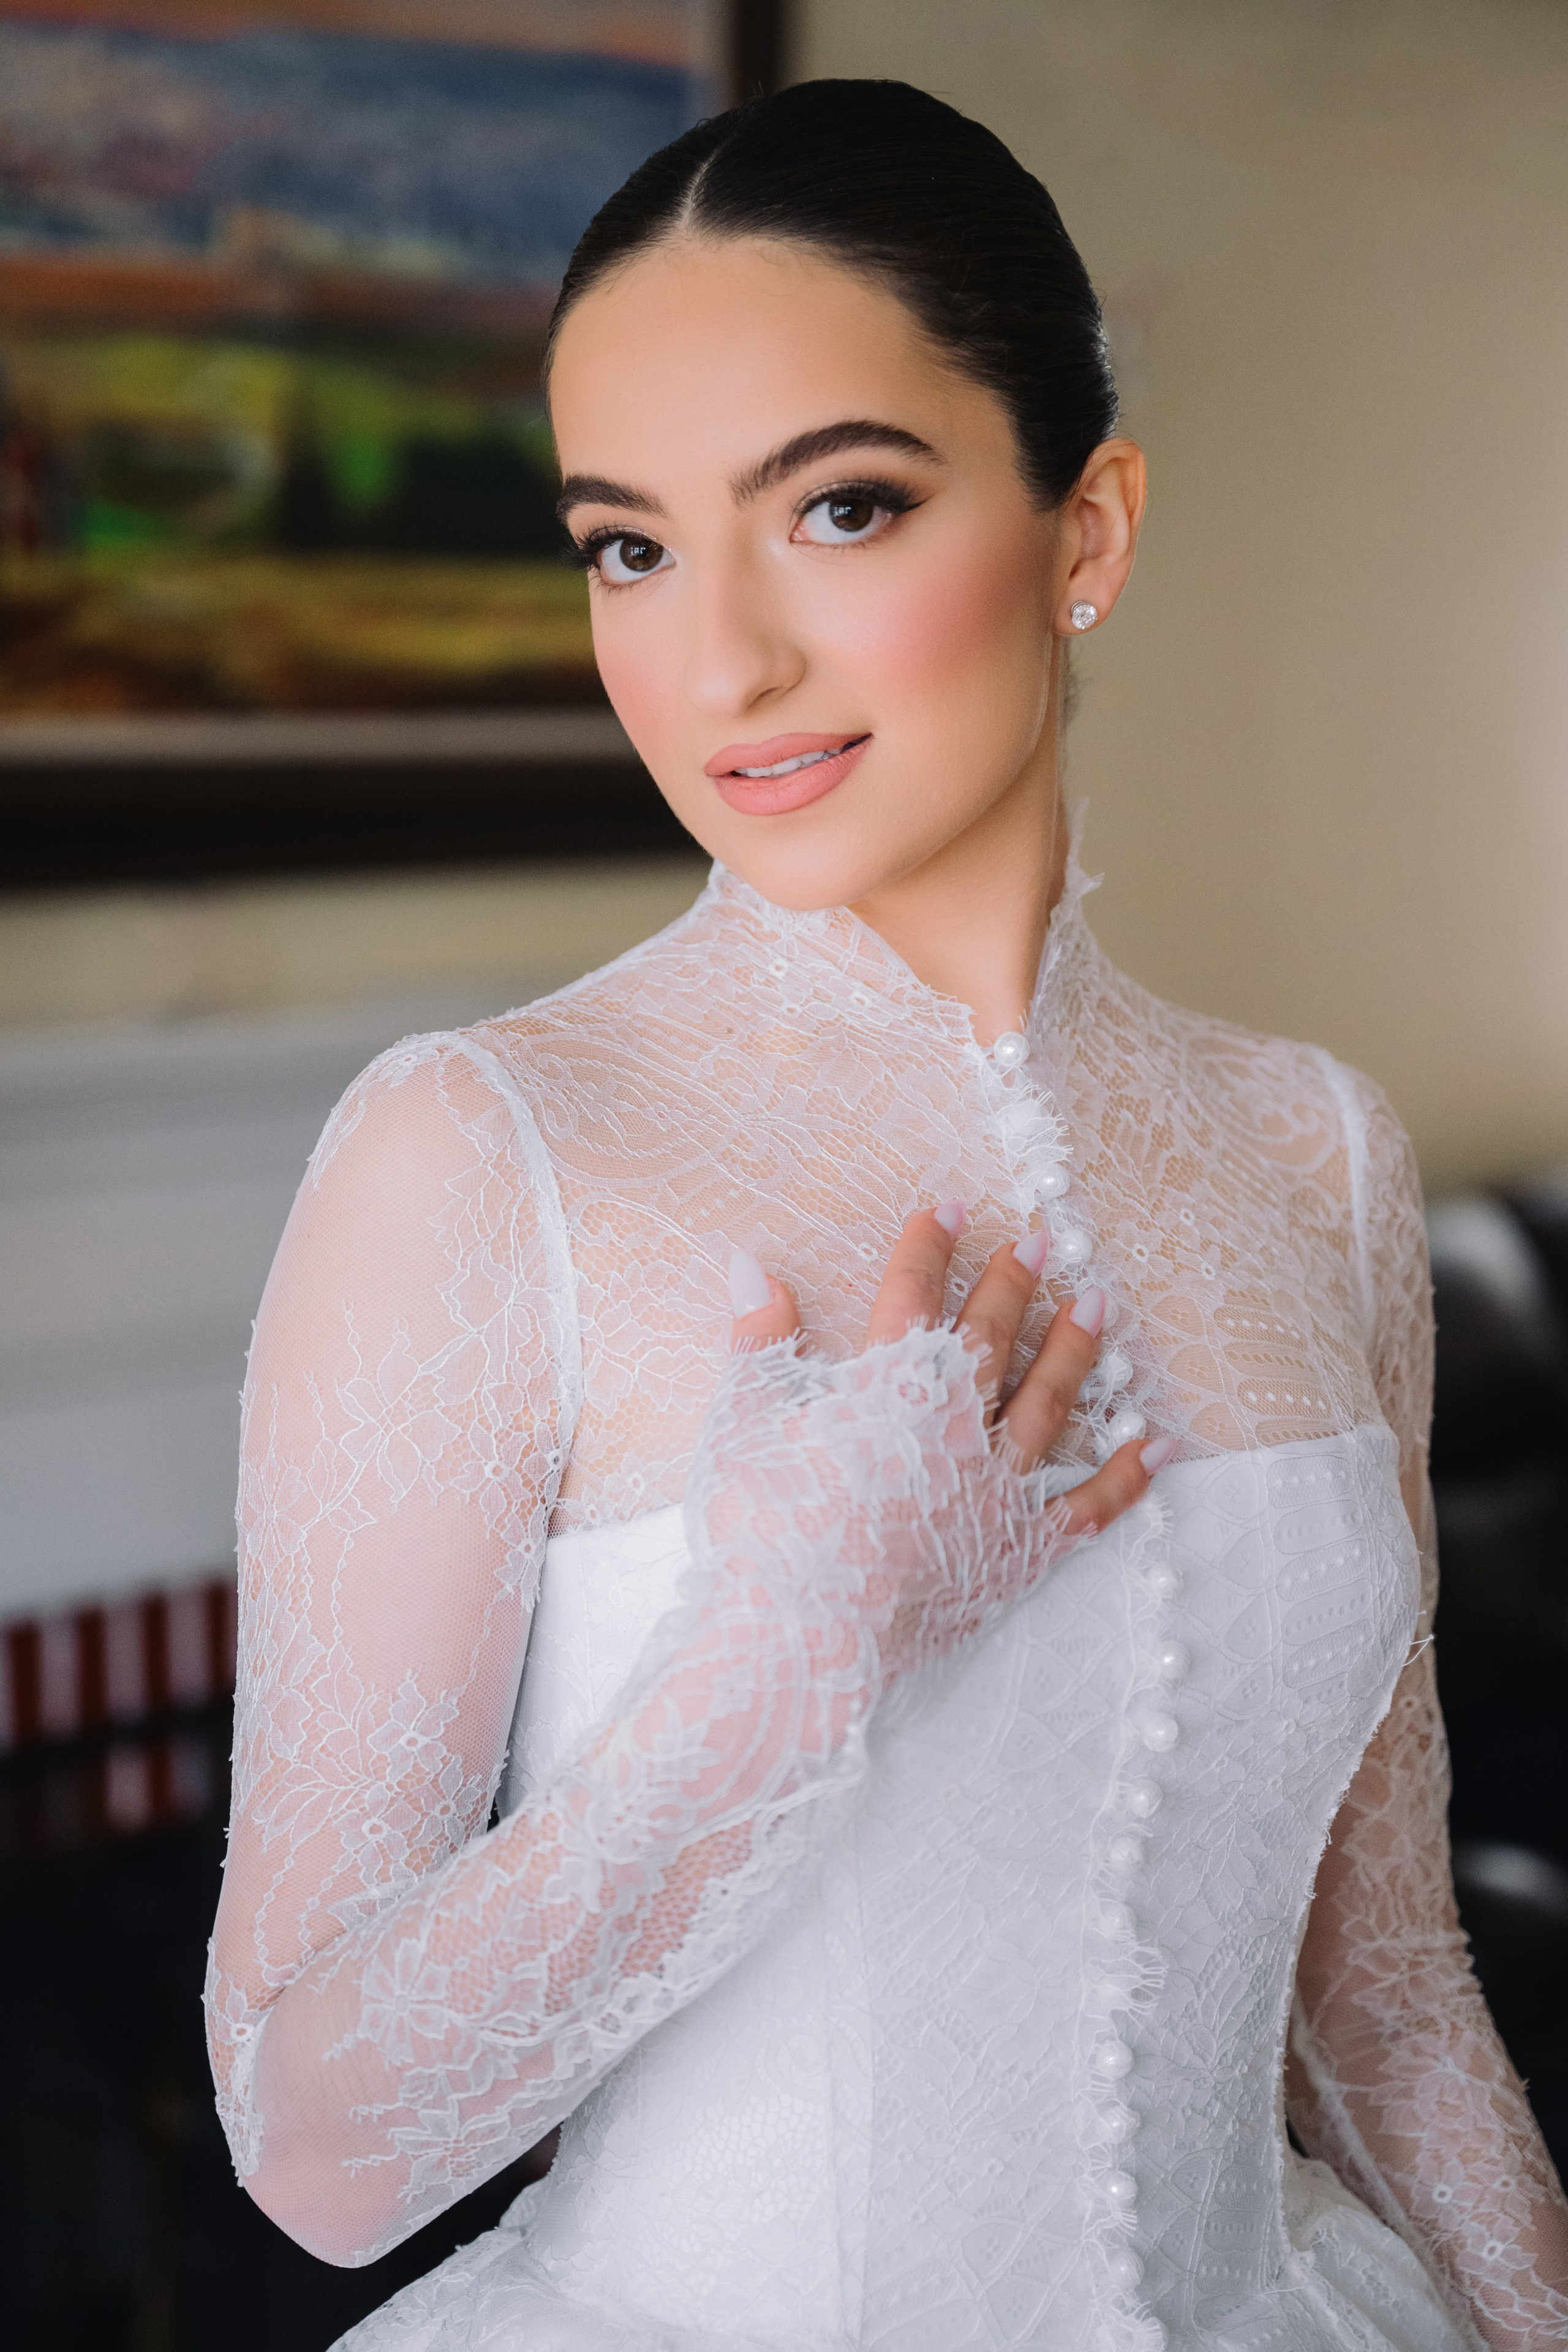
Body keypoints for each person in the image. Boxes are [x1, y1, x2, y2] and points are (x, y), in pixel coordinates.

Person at [206, 79, 1568, 2351]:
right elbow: (317, 2153)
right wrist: (791, 1654)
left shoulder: (1316, 1152)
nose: (716, 663)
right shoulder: (477, 1154)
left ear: (1088, 528)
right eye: (628, 545)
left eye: (837, 507)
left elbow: (1394, 1996)